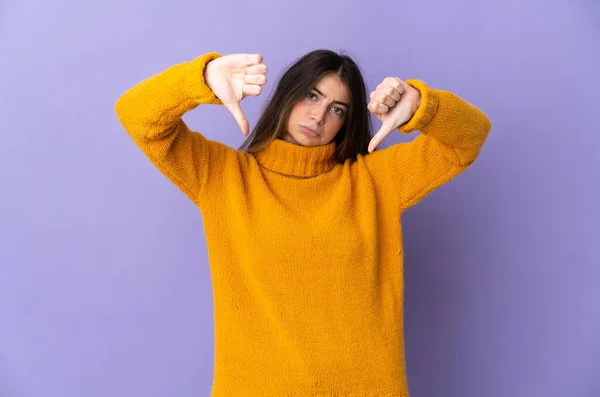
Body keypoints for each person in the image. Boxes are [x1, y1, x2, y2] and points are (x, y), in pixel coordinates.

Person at [115, 50, 491, 396]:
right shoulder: (224, 177)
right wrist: (201, 79)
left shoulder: (375, 181)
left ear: (346, 123)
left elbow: (469, 139)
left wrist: (421, 106)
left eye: (338, 109)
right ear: (288, 94)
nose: (319, 116)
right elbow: (136, 115)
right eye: (312, 96)